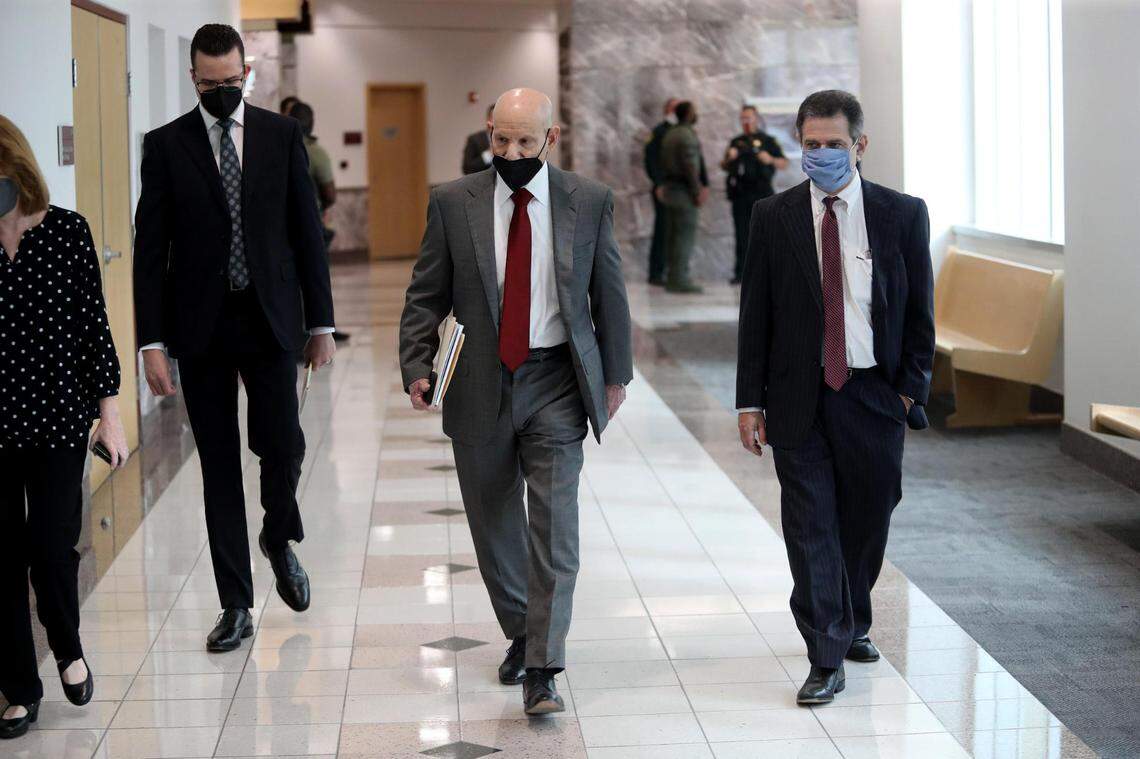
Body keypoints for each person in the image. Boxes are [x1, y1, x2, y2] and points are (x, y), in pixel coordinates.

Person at [400, 87, 632, 715]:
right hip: (478, 379)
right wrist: (416, 364)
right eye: (502, 140)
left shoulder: (588, 201)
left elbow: (609, 294)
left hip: (556, 379)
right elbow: (426, 294)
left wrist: (617, 374)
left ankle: (543, 665)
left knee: (555, 523)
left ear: (550, 139)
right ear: (488, 131)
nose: (512, 152)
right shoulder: (454, 202)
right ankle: (522, 630)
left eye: (526, 142)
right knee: (494, 521)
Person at [133, 24, 336, 653]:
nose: (222, 92)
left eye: (232, 81)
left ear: (246, 73)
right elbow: (149, 251)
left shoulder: (280, 135)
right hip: (202, 329)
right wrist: (151, 343)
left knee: (284, 444)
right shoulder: (165, 146)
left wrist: (322, 323)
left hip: (272, 317)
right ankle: (236, 603)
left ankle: (279, 535)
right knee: (218, 465)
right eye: (209, 83)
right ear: (192, 77)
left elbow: (306, 231)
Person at [735, 90, 935, 705]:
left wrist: (908, 393)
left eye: (834, 145)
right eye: (811, 145)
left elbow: (922, 313)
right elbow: (756, 316)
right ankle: (826, 651)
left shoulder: (902, 215)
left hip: (873, 394)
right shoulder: (774, 216)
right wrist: (750, 402)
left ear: (860, 146)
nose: (821, 155)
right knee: (809, 524)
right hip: (799, 397)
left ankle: (852, 617)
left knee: (868, 518)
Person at [0, 115, 129, 739]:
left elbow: (93, 334)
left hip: (56, 419)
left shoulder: (66, 233)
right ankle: (19, 688)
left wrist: (109, 416)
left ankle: (67, 647)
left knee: (52, 549)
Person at [721, 104, 787, 284]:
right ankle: (741, 273)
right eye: (742, 119)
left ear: (756, 119)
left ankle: (767, 274)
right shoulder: (737, 142)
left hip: (763, 193)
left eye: (748, 118)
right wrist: (730, 157)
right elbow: (724, 166)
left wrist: (770, 159)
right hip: (741, 193)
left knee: (766, 235)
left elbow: (783, 163)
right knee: (741, 235)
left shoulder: (768, 140)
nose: (746, 122)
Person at [659, 100, 709, 293]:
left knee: (673, 236)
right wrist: (697, 191)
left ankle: (673, 276)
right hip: (683, 193)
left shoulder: (670, 133)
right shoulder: (686, 135)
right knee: (683, 237)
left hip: (671, 190)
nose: (696, 114)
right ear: (687, 114)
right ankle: (680, 279)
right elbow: (690, 166)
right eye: (694, 111)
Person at [643, 97, 678, 285]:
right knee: (662, 230)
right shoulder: (659, 132)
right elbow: (651, 161)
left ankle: (674, 272)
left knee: (677, 232)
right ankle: (656, 273)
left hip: (680, 191)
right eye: (673, 109)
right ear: (666, 111)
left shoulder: (682, 131)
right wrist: (658, 184)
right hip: (664, 189)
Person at [461, 104, 495, 175]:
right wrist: (488, 155)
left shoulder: (509, 140)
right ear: (488, 119)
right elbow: (467, 168)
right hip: (481, 183)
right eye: (493, 117)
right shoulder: (474, 139)